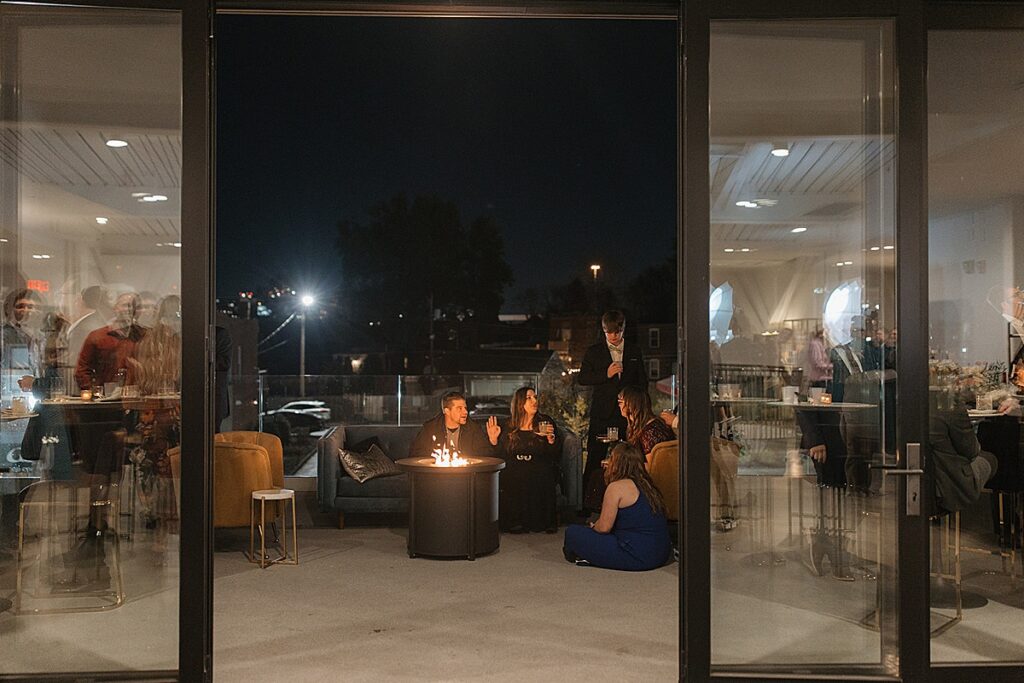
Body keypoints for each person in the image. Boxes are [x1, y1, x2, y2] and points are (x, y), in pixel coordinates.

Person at [562, 442, 672, 571]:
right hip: (661, 553)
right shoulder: (648, 485)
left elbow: (604, 528)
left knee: (572, 532)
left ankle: (582, 555)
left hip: (637, 554)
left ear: (616, 463)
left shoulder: (617, 487)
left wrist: (595, 526)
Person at [578, 310, 645, 512]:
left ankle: (630, 502)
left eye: (617, 331)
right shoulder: (594, 352)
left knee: (628, 457)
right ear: (604, 330)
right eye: (609, 332)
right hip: (601, 414)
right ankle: (587, 503)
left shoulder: (634, 350)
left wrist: (636, 408)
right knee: (594, 458)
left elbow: (642, 382)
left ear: (623, 329)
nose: (613, 336)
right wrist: (605, 374)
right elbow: (582, 379)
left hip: (626, 415)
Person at [498, 387, 561, 534]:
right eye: (529, 398)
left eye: (535, 397)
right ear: (519, 403)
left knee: (542, 472)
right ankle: (515, 521)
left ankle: (542, 521)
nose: (534, 401)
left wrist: (551, 441)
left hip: (539, 465)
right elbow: (503, 454)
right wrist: (494, 440)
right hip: (516, 467)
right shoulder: (509, 425)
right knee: (513, 473)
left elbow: (554, 455)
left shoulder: (544, 422)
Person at [75, 291, 146, 390]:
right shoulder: (97, 336)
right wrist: (95, 393)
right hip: (107, 399)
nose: (130, 309)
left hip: (138, 398)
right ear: (115, 308)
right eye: (126, 305)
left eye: (135, 306)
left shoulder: (146, 336)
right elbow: (82, 370)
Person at [409, 390, 501, 459]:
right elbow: (416, 455)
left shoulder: (473, 428)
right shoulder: (430, 428)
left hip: (466, 476)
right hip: (437, 476)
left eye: (465, 408)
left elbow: (486, 457)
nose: (465, 412)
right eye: (459, 408)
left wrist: (493, 441)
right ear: (447, 411)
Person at [619, 385, 675, 461]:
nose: (619, 404)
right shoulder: (636, 426)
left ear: (632, 403)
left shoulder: (651, 432)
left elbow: (654, 467)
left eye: (621, 401)